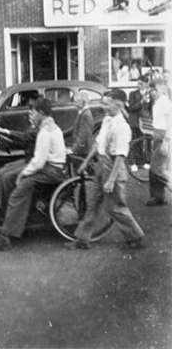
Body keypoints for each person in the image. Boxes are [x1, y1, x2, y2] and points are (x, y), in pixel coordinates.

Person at [0, 98, 66, 251]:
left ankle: (5, 237)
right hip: (49, 168)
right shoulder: (48, 127)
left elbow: (38, 162)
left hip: (50, 171)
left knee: (17, 193)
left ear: (41, 113)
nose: (31, 114)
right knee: (7, 175)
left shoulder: (45, 131)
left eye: (33, 112)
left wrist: (23, 174)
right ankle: (5, 215)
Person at [66, 89, 145, 250]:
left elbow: (120, 156)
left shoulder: (122, 127)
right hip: (101, 166)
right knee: (92, 203)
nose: (103, 107)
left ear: (119, 104)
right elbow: (98, 143)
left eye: (106, 104)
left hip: (113, 169)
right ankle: (82, 240)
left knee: (115, 207)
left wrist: (111, 180)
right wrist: (86, 162)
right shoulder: (108, 120)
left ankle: (136, 235)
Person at [146, 78, 172, 206]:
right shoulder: (157, 102)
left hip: (163, 136)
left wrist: (166, 141)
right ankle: (158, 197)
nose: (152, 92)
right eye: (151, 90)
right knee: (154, 168)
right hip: (157, 134)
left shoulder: (165, 103)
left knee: (157, 169)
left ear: (161, 88)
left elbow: (169, 123)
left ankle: (168, 187)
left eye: (154, 89)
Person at [128, 75, 153, 172]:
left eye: (141, 84)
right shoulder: (132, 94)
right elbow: (131, 108)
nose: (139, 85)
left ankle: (143, 162)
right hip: (135, 122)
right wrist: (141, 101)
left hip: (145, 122)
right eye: (138, 83)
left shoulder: (149, 95)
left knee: (145, 142)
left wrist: (151, 119)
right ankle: (133, 163)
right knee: (134, 142)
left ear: (146, 84)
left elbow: (150, 108)